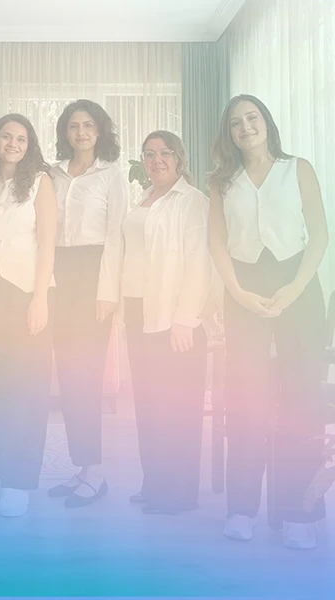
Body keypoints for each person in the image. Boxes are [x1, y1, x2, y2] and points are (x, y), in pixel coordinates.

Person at [208, 94, 329, 549]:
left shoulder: (298, 169)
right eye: (235, 122)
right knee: (245, 397)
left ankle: (301, 512)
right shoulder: (222, 182)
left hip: (298, 286)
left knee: (303, 399)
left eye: (251, 118)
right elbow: (217, 243)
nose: (245, 127)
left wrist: (294, 289)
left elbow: (320, 236)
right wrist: (237, 292)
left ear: (266, 122)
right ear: (229, 133)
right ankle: (241, 508)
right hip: (243, 288)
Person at [122, 131, 212, 515]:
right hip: (138, 313)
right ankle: (155, 483)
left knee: (178, 410)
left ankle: (179, 494)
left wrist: (186, 319)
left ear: (179, 158)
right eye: (149, 154)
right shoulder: (142, 198)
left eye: (164, 153)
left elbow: (199, 262)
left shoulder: (192, 201)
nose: (156, 160)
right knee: (149, 405)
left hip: (175, 320)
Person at [48, 99, 129, 507]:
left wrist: (107, 292)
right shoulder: (52, 174)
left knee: (87, 376)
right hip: (57, 275)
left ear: (99, 131)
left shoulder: (112, 175)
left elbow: (117, 236)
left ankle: (95, 473)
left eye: (88, 126)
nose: (80, 132)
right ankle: (81, 467)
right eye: (73, 126)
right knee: (67, 376)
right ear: (65, 132)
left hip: (94, 274)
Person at [0, 114, 57, 517]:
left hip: (30, 294)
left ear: (30, 146)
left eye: (22, 139)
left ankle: (20, 479)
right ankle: (2, 468)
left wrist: (40, 298)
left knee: (27, 391)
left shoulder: (41, 182)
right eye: (7, 136)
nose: (13, 143)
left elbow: (48, 244)